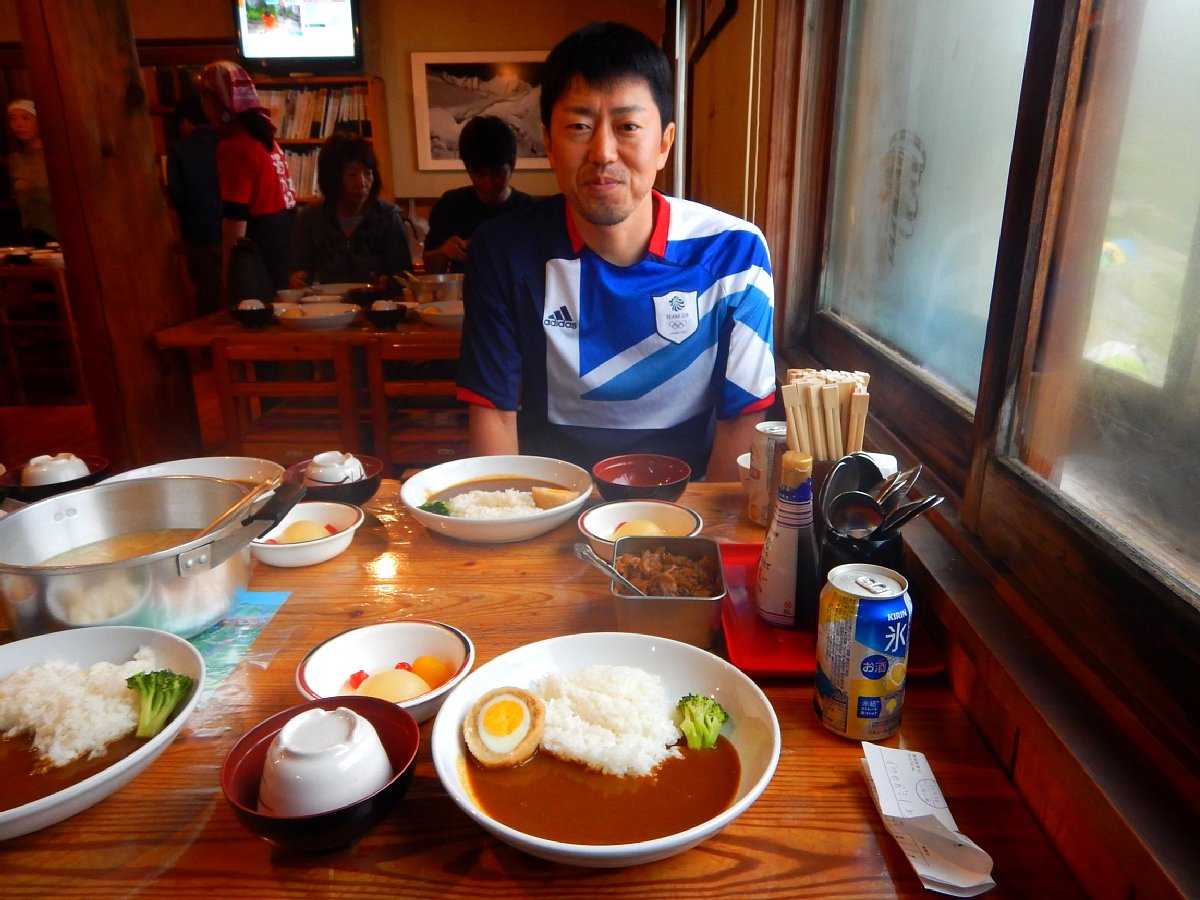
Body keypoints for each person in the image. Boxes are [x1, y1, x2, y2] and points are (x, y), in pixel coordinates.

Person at [455, 23, 776, 480]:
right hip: (551, 501)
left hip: (687, 507)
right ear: (549, 144)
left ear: (664, 144)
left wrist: (705, 524)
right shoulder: (503, 251)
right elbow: (495, 416)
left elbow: (741, 424)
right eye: (579, 127)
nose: (603, 152)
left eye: (628, 127)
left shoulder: (734, 253)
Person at [198, 60, 296, 297]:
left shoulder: (235, 146)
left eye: (205, 97)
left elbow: (235, 218)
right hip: (285, 247)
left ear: (221, 100)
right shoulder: (265, 139)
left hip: (258, 252)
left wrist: (228, 276)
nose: (203, 105)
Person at [288, 133, 412, 287]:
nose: (362, 183)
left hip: (375, 300)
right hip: (324, 301)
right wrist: (296, 280)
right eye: (352, 175)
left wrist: (389, 282)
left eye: (368, 173)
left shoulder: (388, 217)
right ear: (332, 178)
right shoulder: (309, 218)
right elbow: (298, 271)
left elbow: (404, 277)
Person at [422, 115, 535, 274]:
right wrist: (444, 252)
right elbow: (430, 268)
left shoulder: (530, 211)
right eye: (480, 174)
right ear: (467, 168)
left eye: (498, 174)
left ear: (513, 165)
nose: (488, 184)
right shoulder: (450, 205)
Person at [166, 97, 222, 315]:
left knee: (206, 294)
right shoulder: (224, 142)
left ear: (186, 121)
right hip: (231, 226)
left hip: (198, 233)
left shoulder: (179, 150)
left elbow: (177, 195)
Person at [5, 100, 57, 246]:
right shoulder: (15, 160)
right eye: (13, 119)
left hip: (57, 232)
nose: (19, 124)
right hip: (30, 234)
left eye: (25, 118)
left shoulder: (55, 156)